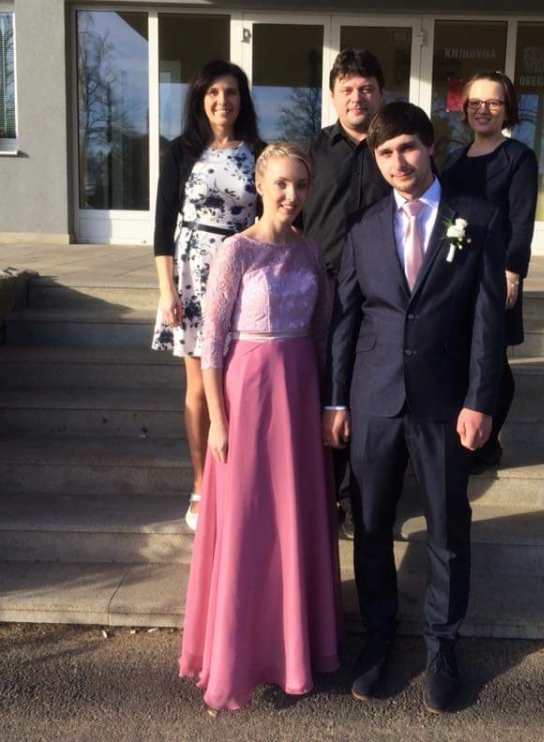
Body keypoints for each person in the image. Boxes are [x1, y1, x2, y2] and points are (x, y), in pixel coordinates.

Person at [322, 102, 505, 713]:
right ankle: (378, 637)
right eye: (384, 152)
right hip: (373, 400)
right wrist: (336, 400)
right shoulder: (364, 226)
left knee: (448, 528)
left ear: (429, 147)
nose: (397, 162)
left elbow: (486, 322)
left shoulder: (475, 218)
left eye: (406, 147)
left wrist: (480, 401)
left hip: (444, 403)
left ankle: (442, 646)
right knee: (371, 525)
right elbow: (346, 319)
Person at [179, 143, 341, 711]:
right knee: (248, 520)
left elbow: (322, 330)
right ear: (261, 185)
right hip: (247, 393)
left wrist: (325, 402)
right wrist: (218, 420)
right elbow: (211, 342)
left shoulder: (311, 250)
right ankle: (237, 654)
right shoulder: (236, 251)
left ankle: (294, 646)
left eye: (301, 185)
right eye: (282, 184)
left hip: (299, 389)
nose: (292, 195)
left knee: (295, 515)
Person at [152, 60, 264, 531]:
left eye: (231, 92)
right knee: (199, 386)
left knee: (239, 382)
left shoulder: (260, 152)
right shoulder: (180, 151)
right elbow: (163, 225)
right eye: (214, 92)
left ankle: (237, 478)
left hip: (246, 271)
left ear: (243, 100)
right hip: (193, 274)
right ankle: (201, 484)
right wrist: (167, 291)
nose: (223, 101)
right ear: (200, 98)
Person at [301, 48, 391, 538]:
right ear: (333, 96)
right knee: (327, 390)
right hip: (325, 291)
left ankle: (360, 500)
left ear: (381, 93)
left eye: (366, 88)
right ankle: (327, 495)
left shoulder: (394, 150)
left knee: (367, 393)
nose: (357, 97)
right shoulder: (312, 152)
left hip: (382, 295)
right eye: (347, 89)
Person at [443, 71, 538, 473]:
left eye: (493, 102)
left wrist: (513, 271)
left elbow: (521, 221)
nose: (483, 110)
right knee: (468, 352)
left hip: (496, 272)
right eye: (475, 102)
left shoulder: (518, 158)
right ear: (465, 109)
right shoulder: (454, 159)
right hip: (458, 271)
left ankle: (487, 443)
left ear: (507, 109)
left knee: (494, 358)